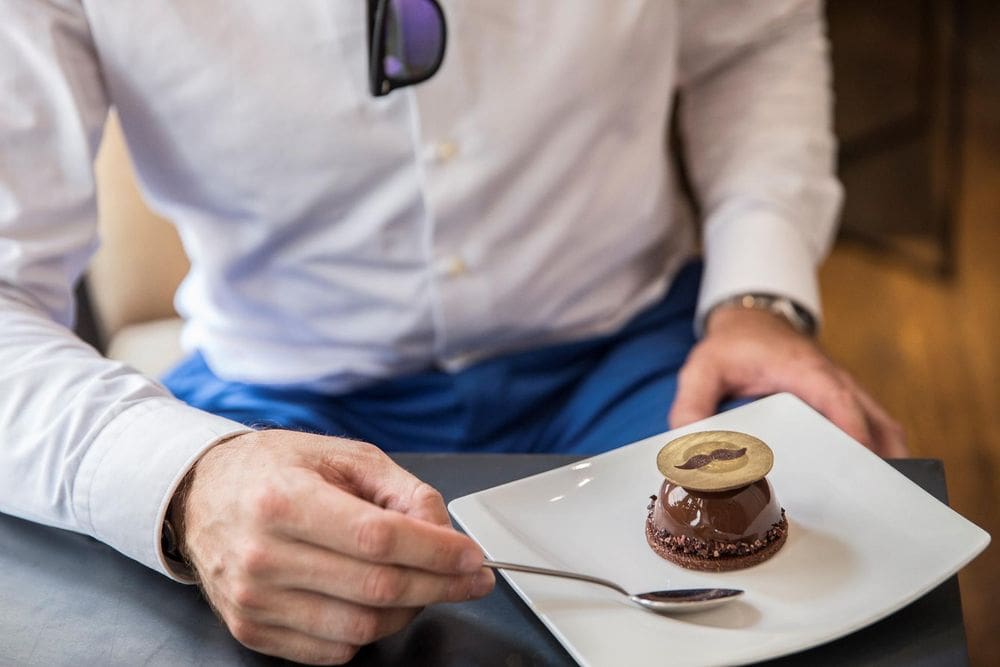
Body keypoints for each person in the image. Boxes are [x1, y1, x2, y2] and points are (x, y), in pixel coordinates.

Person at [0, 1, 906, 664]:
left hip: (638, 353)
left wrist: (761, 292)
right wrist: (186, 480)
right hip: (273, 405)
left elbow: (752, 37)